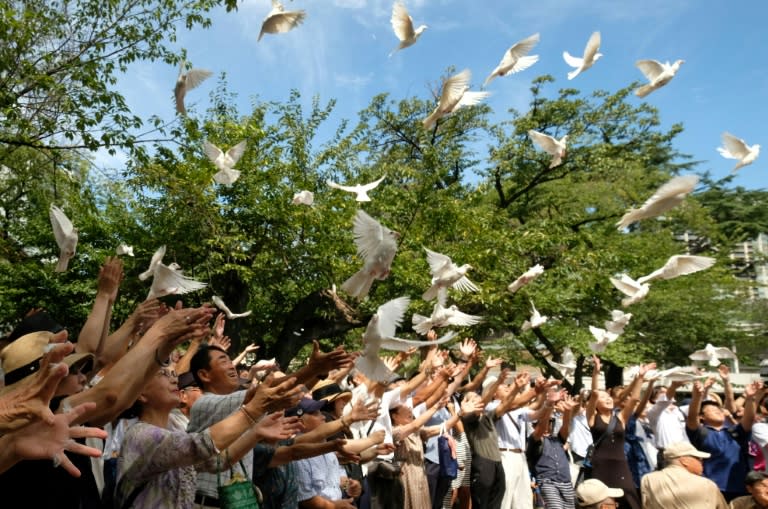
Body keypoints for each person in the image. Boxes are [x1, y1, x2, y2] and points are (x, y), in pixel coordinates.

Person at [188, 340, 354, 507]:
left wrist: (317, 374)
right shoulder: (203, 404)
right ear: (204, 375)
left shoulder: (243, 409)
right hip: (206, 503)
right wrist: (312, 369)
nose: (232, 366)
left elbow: (292, 394)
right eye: (223, 361)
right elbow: (265, 393)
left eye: (231, 360)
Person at [115, 365, 302, 508]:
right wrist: (253, 411)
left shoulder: (174, 431)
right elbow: (200, 445)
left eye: (174, 374)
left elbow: (215, 462)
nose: (174, 380)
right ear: (141, 394)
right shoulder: (141, 435)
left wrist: (255, 434)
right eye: (163, 374)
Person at [585, 357, 648, 509]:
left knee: (630, 498)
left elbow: (633, 399)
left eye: (608, 397)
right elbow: (594, 393)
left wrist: (640, 378)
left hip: (620, 463)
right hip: (601, 465)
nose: (607, 399)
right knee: (602, 501)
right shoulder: (593, 417)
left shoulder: (620, 417)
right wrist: (596, 373)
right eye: (603, 398)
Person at [687, 379, 763, 501]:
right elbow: (691, 417)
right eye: (712, 410)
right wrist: (696, 397)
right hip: (711, 488)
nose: (718, 412)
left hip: (739, 487)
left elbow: (748, 418)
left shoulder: (735, 432)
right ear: (702, 417)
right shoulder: (701, 433)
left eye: (719, 410)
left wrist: (750, 398)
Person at [640, 441, 728, 509]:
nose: (701, 462)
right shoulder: (707, 484)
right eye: (698, 458)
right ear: (684, 461)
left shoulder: (648, 479)